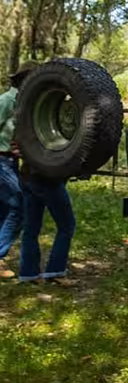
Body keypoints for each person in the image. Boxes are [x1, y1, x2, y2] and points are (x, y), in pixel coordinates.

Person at [18, 163, 76, 283]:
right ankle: (56, 271)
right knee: (67, 226)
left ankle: (28, 273)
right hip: (48, 178)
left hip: (28, 175)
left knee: (30, 228)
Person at [0, 67, 30, 278]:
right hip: (1, 160)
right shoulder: (6, 101)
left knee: (3, 208)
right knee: (18, 204)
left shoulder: (22, 103)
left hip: (11, 161)